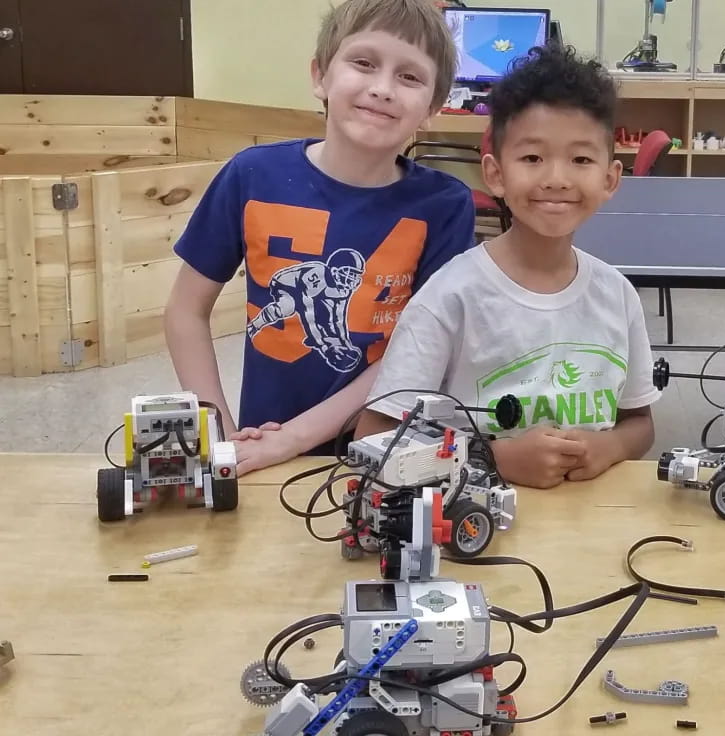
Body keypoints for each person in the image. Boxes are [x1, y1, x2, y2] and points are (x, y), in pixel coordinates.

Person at [164, 0, 475, 475]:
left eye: (410, 77)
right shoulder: (251, 175)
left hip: (386, 458)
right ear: (320, 76)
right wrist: (217, 430)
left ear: (433, 107)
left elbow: (420, 354)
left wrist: (294, 439)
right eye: (364, 63)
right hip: (259, 452)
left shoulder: (446, 206)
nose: (382, 89)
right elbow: (185, 309)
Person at [354, 42, 659, 489]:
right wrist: (493, 457)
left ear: (610, 178)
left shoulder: (617, 295)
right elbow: (375, 437)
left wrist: (608, 447)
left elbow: (640, 424)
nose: (556, 177)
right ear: (495, 174)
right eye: (533, 158)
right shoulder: (450, 296)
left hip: (586, 528)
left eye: (581, 159)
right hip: (473, 528)